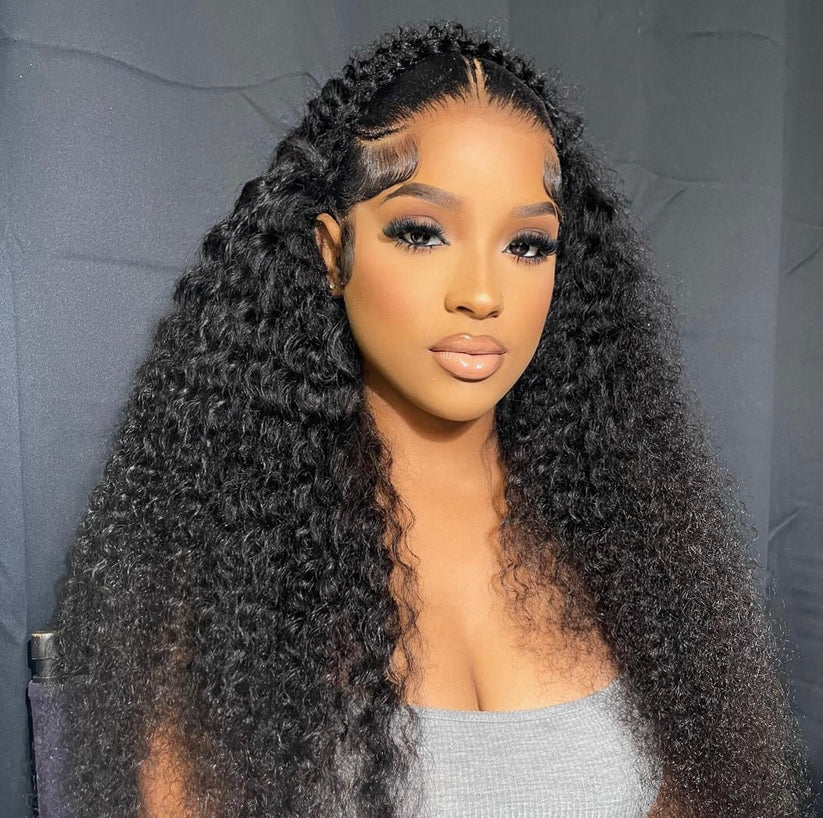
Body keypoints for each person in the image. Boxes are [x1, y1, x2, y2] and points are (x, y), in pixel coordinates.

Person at [50, 19, 815, 818]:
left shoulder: (634, 546)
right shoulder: (234, 572)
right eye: (421, 232)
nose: (481, 294)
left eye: (526, 244)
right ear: (329, 251)